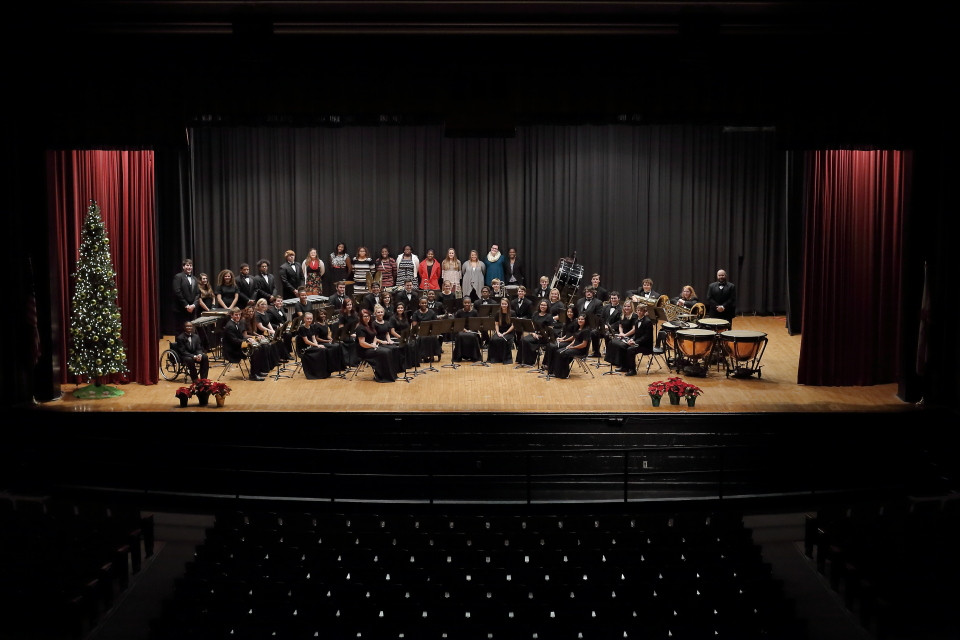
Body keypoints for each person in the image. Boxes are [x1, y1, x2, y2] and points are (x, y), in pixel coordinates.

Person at [355, 308, 398, 382]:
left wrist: (374, 343)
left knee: (389, 350)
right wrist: (372, 346)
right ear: (361, 318)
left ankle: (390, 375)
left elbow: (374, 336)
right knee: (385, 352)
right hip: (364, 351)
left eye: (368, 316)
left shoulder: (370, 325)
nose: (367, 317)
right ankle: (382, 377)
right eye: (364, 316)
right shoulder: (360, 328)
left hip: (371, 347)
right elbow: (362, 343)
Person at [221, 307, 264, 381]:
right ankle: (253, 375)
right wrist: (247, 341)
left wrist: (248, 339)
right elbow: (234, 341)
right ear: (231, 315)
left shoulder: (236, 323)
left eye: (239, 315)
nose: (238, 317)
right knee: (255, 351)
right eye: (236, 315)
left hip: (237, 347)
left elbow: (240, 337)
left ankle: (257, 371)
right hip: (232, 351)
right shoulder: (230, 326)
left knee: (259, 347)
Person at [298, 311, 337, 380]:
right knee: (323, 350)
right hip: (304, 349)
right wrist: (317, 346)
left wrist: (317, 345)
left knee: (325, 349)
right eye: (307, 319)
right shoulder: (302, 328)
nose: (309, 320)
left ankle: (325, 372)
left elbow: (313, 338)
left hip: (311, 346)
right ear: (304, 319)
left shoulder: (312, 327)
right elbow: (306, 341)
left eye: (310, 319)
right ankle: (318, 373)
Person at [549, 314, 590, 379]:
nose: (580, 320)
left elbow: (584, 344)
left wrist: (573, 347)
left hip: (580, 350)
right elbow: (575, 340)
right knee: (558, 351)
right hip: (575, 347)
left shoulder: (586, 330)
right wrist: (569, 345)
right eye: (579, 319)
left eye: (582, 319)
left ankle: (563, 374)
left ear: (586, 321)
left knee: (562, 353)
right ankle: (556, 372)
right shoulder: (578, 328)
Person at [604, 299, 639, 375]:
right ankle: (616, 362)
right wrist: (621, 333)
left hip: (631, 337)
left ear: (632, 307)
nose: (626, 308)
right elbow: (620, 326)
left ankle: (625, 366)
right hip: (623, 335)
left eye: (628, 306)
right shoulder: (622, 315)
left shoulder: (634, 316)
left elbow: (634, 329)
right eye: (625, 306)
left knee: (621, 345)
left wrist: (625, 335)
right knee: (612, 342)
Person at [519, 299, 557, 366]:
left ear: (547, 307)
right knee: (522, 339)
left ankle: (530, 361)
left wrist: (541, 335)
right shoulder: (535, 314)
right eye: (541, 305)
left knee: (527, 341)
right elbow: (532, 325)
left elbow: (550, 330)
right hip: (534, 334)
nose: (543, 306)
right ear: (539, 306)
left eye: (545, 305)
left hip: (543, 336)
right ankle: (522, 360)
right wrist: (533, 333)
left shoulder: (549, 316)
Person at [542, 304, 578, 373]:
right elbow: (568, 333)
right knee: (550, 344)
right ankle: (547, 364)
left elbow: (574, 336)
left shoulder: (576, 322)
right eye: (568, 312)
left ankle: (551, 366)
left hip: (571, 342)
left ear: (575, 313)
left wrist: (564, 340)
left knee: (553, 346)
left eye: (571, 312)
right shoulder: (568, 321)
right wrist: (561, 338)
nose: (569, 313)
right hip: (566, 340)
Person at [372, 304, 404, 374]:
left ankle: (396, 369)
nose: (380, 314)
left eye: (381, 312)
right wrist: (381, 341)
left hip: (386, 342)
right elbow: (373, 337)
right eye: (378, 312)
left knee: (395, 348)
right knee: (388, 350)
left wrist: (389, 340)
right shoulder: (373, 324)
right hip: (378, 343)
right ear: (375, 314)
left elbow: (387, 333)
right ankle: (388, 370)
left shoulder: (386, 322)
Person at [390, 301, 419, 371]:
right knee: (406, 344)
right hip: (397, 336)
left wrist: (410, 335)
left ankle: (412, 363)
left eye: (401, 308)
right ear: (396, 309)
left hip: (406, 335)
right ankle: (404, 365)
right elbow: (392, 331)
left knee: (414, 343)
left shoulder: (406, 317)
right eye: (398, 308)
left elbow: (409, 327)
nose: (400, 309)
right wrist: (401, 337)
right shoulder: (392, 318)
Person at [486, 297, 515, 364]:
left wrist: (505, 333)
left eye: (505, 304)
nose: (504, 305)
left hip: (509, 332)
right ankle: (494, 359)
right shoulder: (498, 313)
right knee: (493, 339)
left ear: (508, 305)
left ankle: (505, 359)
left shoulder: (512, 313)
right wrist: (498, 332)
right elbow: (496, 324)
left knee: (503, 340)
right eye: (502, 304)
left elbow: (513, 325)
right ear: (500, 305)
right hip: (500, 331)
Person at [411, 297, 441, 362]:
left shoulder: (432, 312)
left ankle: (432, 355)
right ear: (419, 304)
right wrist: (420, 329)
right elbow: (414, 325)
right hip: (420, 331)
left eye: (425, 303)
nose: (424, 304)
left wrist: (431, 329)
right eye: (422, 303)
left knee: (433, 337)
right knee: (423, 338)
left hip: (430, 331)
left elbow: (435, 323)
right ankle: (424, 356)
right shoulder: (416, 313)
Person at [452, 297, 481, 362]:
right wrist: (464, 329)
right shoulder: (459, 312)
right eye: (465, 303)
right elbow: (457, 323)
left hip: (472, 330)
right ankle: (459, 356)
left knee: (472, 336)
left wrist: (471, 330)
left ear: (471, 303)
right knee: (460, 336)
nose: (467, 304)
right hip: (461, 330)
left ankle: (474, 356)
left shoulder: (475, 312)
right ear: (463, 303)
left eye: (468, 303)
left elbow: (477, 323)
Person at [172, 258, 200, 326]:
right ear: (183, 267)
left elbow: (198, 293)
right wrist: (186, 306)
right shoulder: (178, 276)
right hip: (181, 308)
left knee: (192, 328)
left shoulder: (195, 278)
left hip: (192, 309)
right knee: (181, 328)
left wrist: (193, 305)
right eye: (187, 265)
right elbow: (177, 291)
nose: (189, 267)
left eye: (190, 265)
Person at [596, 290, 622, 356]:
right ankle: (596, 352)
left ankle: (609, 353)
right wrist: (603, 325)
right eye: (612, 298)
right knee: (594, 332)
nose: (613, 300)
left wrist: (610, 327)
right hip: (604, 328)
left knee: (607, 335)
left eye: (615, 298)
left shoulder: (621, 309)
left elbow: (620, 321)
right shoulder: (605, 307)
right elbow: (602, 318)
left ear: (619, 299)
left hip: (614, 330)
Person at [338, 298, 361, 368]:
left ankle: (357, 360)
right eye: (347, 305)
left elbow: (357, 325)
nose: (349, 306)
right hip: (345, 335)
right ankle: (351, 362)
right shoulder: (342, 315)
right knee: (353, 341)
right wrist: (351, 334)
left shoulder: (355, 314)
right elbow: (341, 328)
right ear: (344, 306)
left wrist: (357, 333)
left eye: (350, 304)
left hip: (353, 333)